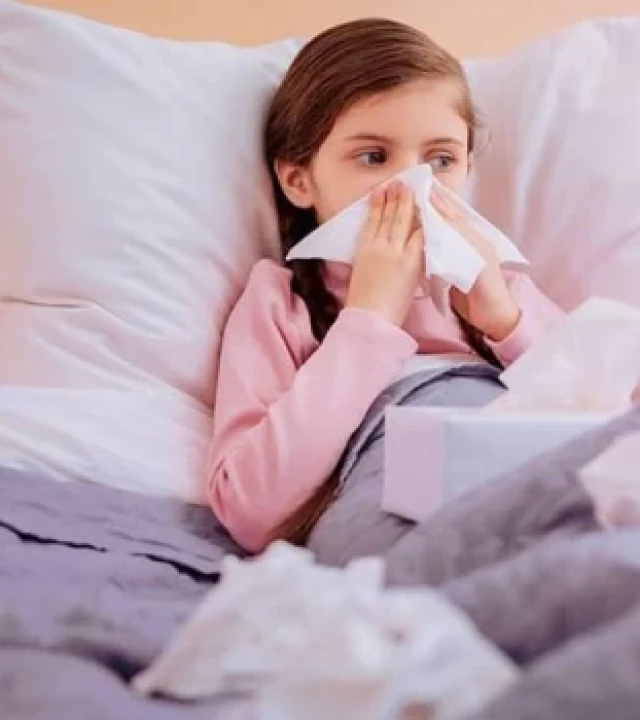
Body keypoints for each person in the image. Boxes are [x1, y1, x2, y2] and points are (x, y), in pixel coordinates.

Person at [205, 18, 564, 554]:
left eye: (440, 160)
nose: (412, 185)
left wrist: (504, 321)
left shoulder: (504, 291)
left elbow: (622, 438)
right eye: (373, 157)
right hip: (396, 510)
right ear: (299, 180)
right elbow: (249, 510)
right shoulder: (281, 303)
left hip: (536, 485)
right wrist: (369, 321)